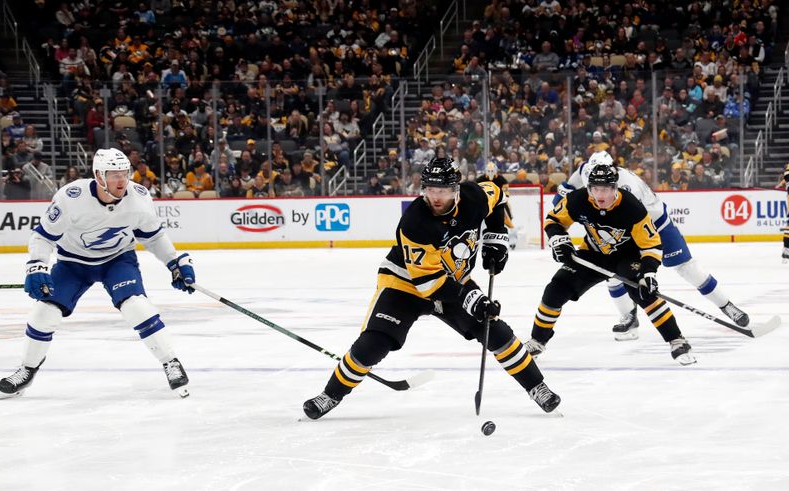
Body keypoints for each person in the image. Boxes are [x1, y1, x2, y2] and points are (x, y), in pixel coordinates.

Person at [302, 157, 560, 420]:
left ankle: (537, 387)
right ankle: (330, 395)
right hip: (406, 283)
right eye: (431, 190)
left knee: (496, 332)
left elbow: (499, 199)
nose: (436, 197)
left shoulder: (475, 196)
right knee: (374, 344)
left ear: (456, 189)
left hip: (453, 280)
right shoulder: (415, 221)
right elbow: (430, 283)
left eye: (444, 191)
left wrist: (496, 239)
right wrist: (472, 298)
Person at [0, 149, 195, 399]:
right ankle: (26, 369)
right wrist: (37, 265)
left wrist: (175, 262)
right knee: (44, 312)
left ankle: (170, 362)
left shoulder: (139, 197)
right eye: (114, 175)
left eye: (125, 173)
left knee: (136, 306)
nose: (122, 181)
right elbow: (43, 236)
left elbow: (154, 237)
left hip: (117, 261)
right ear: (99, 176)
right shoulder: (72, 197)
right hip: (72, 264)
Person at [554, 151, 750, 340]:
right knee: (611, 272)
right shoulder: (585, 170)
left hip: (655, 225)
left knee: (687, 268)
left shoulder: (627, 186)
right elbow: (565, 193)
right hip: (622, 230)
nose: (596, 185)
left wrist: (647, 272)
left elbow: (635, 224)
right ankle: (629, 316)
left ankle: (726, 305)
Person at [528, 164, 696, 365]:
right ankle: (537, 341)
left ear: (615, 188)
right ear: (589, 188)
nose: (600, 195)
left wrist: (648, 273)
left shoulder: (631, 207)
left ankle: (676, 340)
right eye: (595, 188)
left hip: (628, 255)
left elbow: (651, 244)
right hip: (592, 254)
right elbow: (554, 220)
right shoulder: (578, 199)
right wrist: (559, 240)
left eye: (606, 189)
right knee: (556, 289)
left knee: (643, 292)